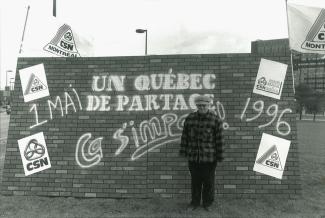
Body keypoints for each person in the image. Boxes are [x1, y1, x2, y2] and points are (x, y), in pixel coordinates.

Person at [179, 95, 224, 211]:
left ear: (208, 105)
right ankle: (194, 203)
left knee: (209, 182)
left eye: (204, 105)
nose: (202, 107)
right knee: (195, 181)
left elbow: (219, 140)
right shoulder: (190, 118)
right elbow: (185, 137)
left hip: (209, 158)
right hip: (193, 157)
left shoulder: (215, 120)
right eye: (199, 105)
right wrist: (183, 152)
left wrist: (220, 156)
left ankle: (207, 203)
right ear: (196, 106)